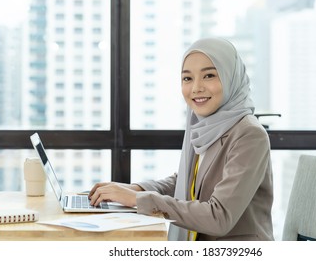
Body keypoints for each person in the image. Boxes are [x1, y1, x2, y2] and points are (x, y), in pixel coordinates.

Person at [89, 37, 274, 241]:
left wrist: (137, 199)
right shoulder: (207, 125)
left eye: (209, 75)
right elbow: (186, 182)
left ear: (231, 77)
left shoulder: (249, 134)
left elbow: (219, 216)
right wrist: (135, 189)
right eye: (187, 78)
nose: (196, 88)